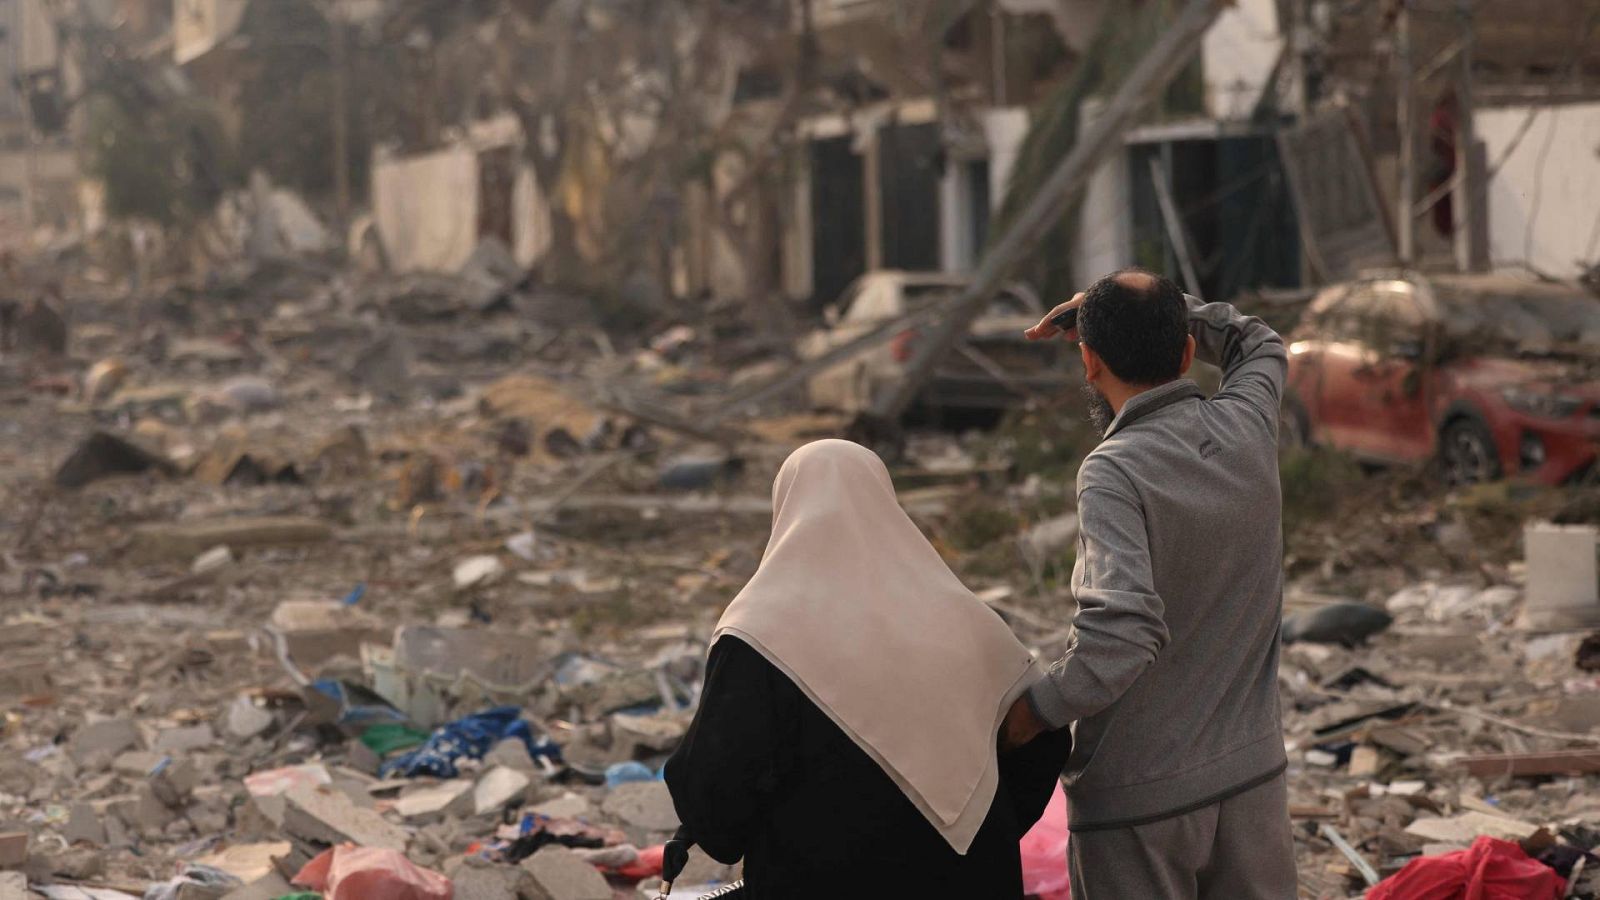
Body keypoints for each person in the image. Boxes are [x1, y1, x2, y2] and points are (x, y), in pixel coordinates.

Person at [664, 439, 1072, 898]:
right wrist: (982, 834)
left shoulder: (760, 631)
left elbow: (717, 789)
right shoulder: (967, 621)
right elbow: (1043, 739)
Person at [1000, 269, 1297, 899]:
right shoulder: (1246, 423)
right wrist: (1171, 312)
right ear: (1189, 351)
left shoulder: (1114, 469)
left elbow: (1121, 638)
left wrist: (1031, 714)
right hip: (1253, 785)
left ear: (1089, 361)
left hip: (1138, 805)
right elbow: (1260, 342)